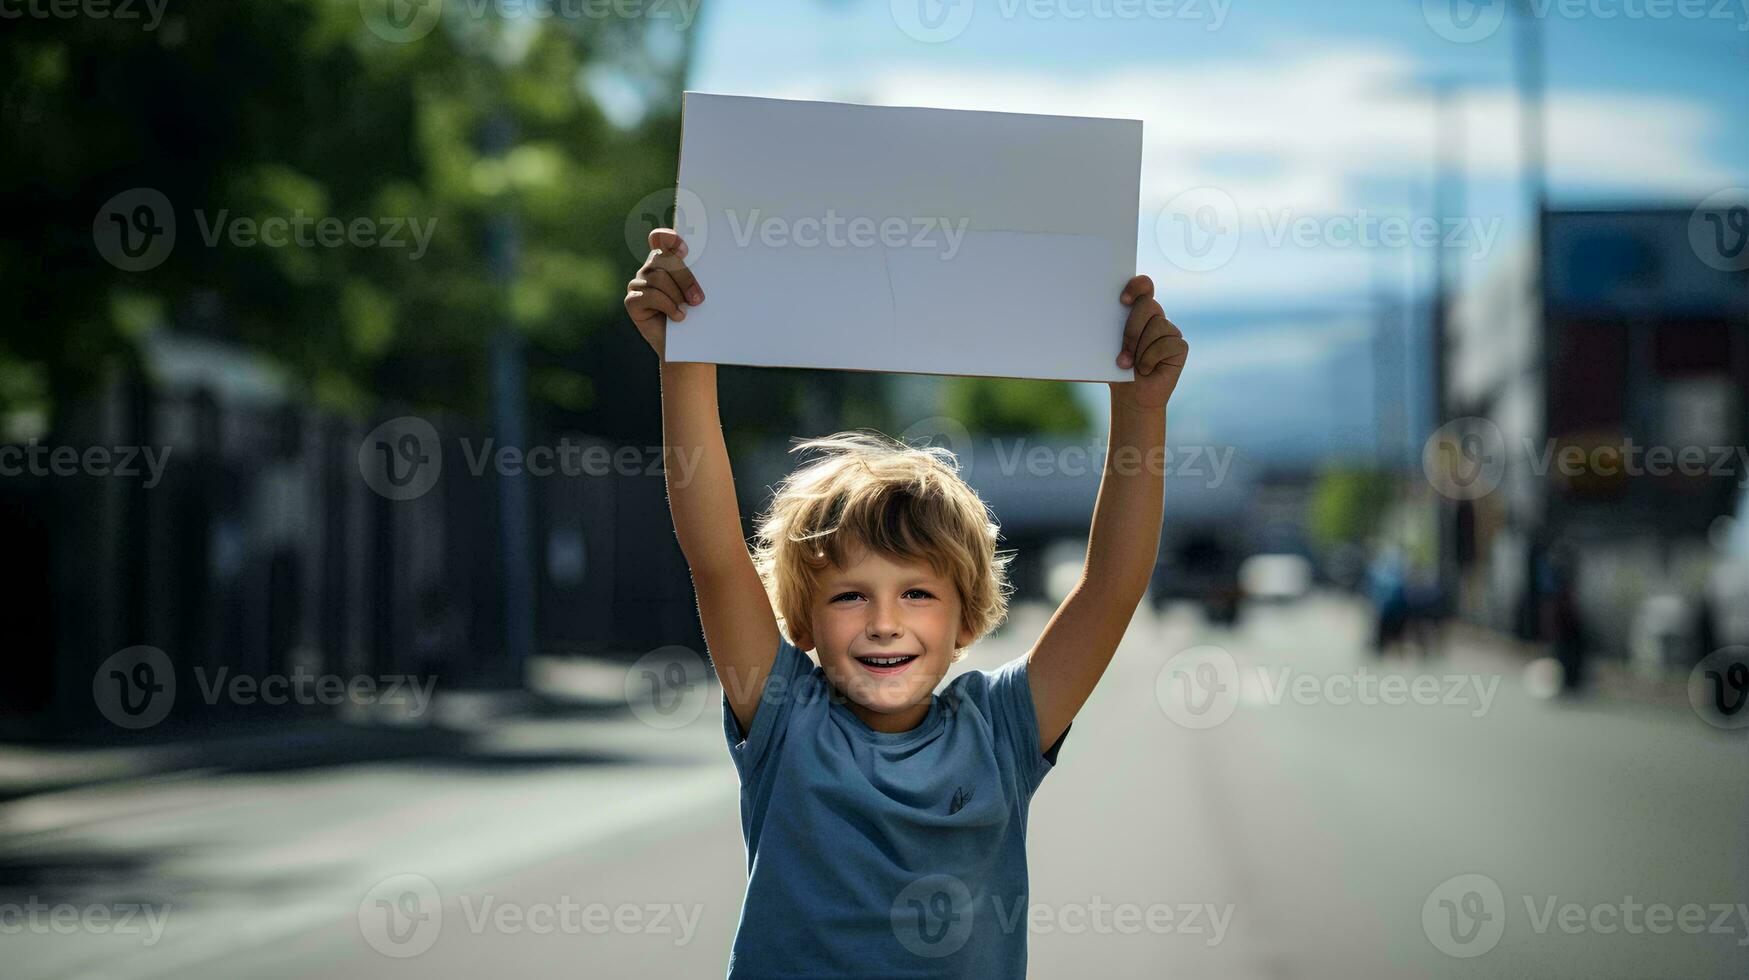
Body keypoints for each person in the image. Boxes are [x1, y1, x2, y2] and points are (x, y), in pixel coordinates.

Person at [624, 227, 1188, 977]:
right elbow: (719, 561)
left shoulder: (1003, 730)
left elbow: (1112, 588)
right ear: (800, 620)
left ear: (965, 617)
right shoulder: (784, 716)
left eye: (917, 593)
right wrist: (683, 363)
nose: (884, 621)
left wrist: (1139, 409)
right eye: (850, 595)